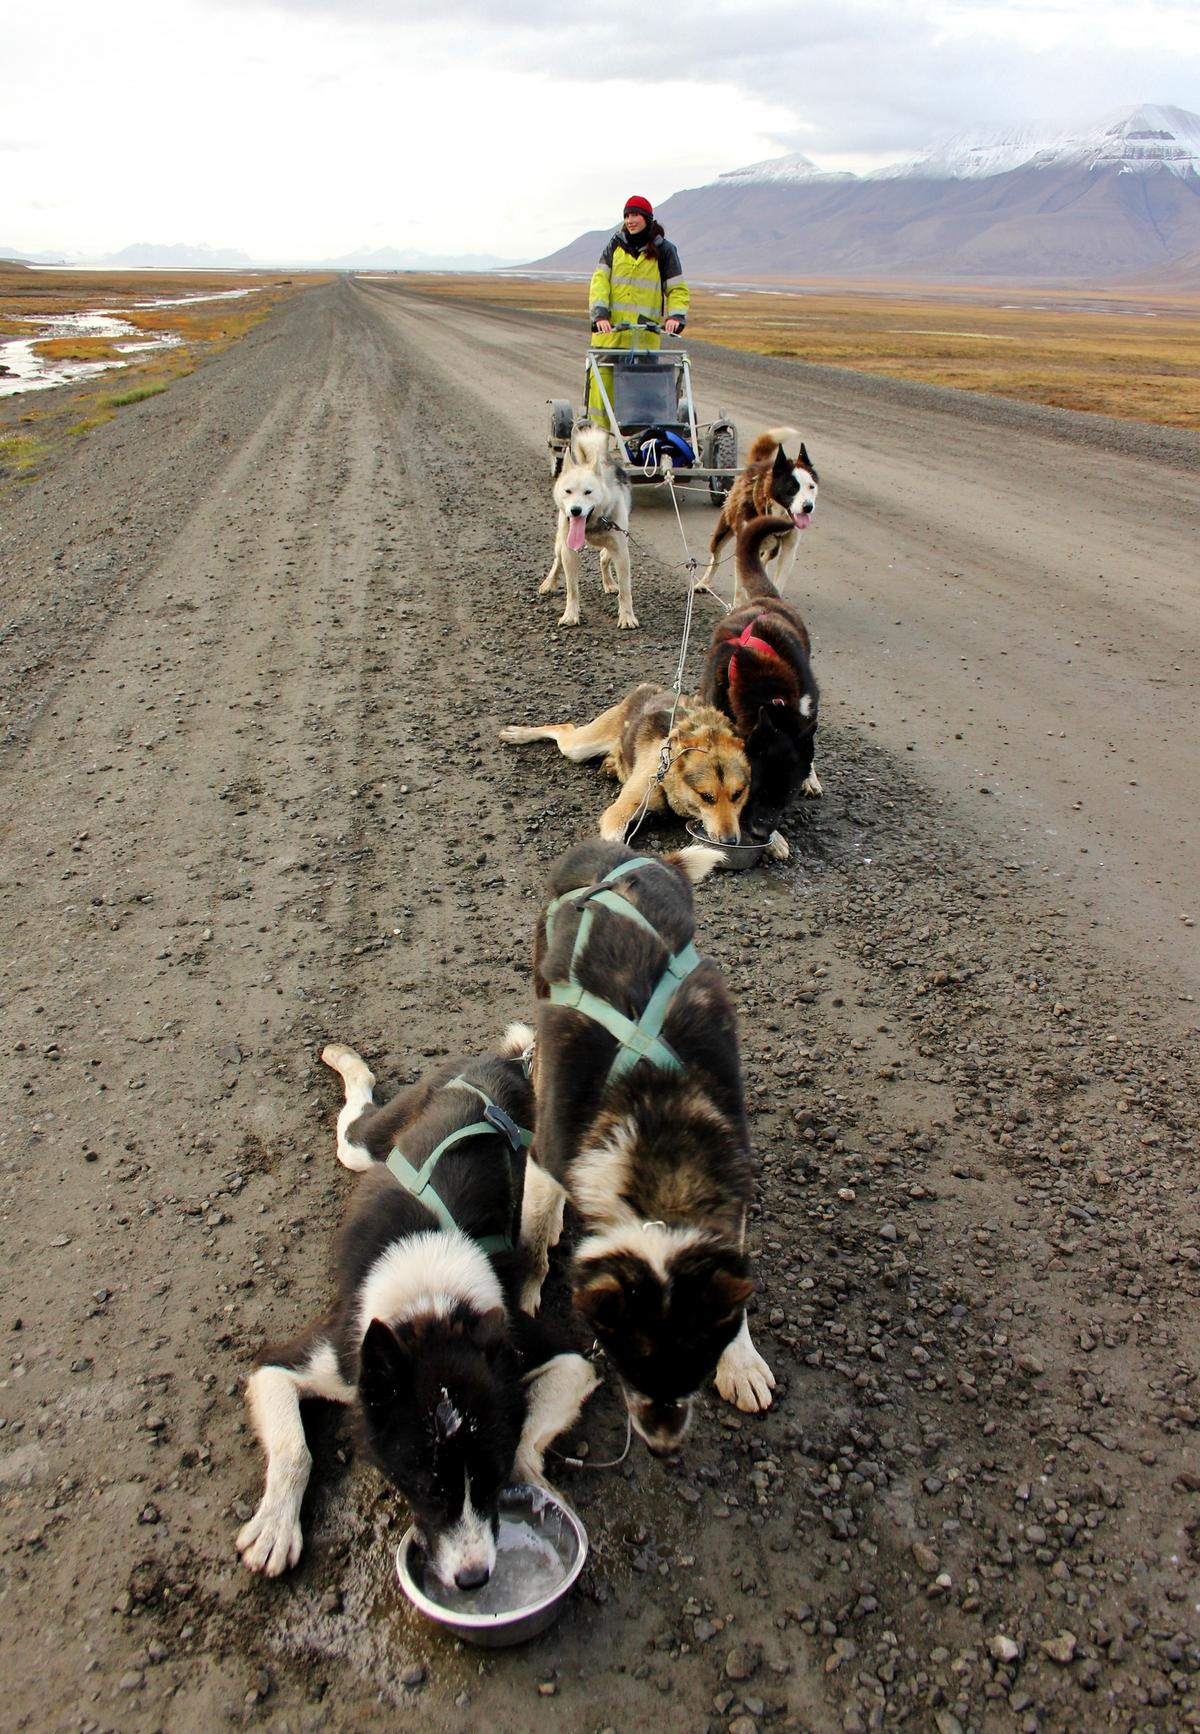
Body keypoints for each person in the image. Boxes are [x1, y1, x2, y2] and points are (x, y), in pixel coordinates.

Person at [587, 195, 690, 427]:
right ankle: (597, 440)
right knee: (602, 394)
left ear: (647, 218)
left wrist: (676, 316)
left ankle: (641, 441)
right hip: (610, 336)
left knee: (643, 400)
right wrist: (600, 315)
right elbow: (599, 283)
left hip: (644, 337)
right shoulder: (614, 246)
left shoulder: (664, 250)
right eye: (626, 216)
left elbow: (677, 288)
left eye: (635, 215)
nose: (630, 220)